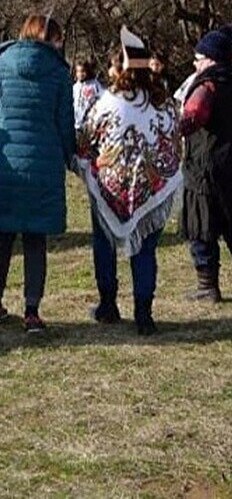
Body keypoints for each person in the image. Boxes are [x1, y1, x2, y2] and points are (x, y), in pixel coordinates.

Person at [0, 14, 76, 332]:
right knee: (35, 238)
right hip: (44, 162)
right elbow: (65, 123)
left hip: (6, 161)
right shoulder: (58, 72)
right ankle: (32, 310)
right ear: (50, 38)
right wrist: (71, 158)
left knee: (3, 234)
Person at [76, 28, 181, 335]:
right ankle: (144, 314)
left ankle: (108, 304)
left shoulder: (108, 102)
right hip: (152, 190)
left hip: (111, 188)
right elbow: (175, 141)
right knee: (146, 250)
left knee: (104, 245)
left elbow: (84, 140)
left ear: (119, 68)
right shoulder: (165, 102)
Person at [178, 28, 232, 303]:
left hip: (205, 168)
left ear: (211, 59)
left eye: (199, 57)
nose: (195, 63)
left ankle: (207, 285)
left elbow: (192, 119)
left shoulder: (207, 86)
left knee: (202, 229)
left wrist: (169, 128)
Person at [73, 60, 104, 129]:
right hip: (76, 123)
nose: (81, 74)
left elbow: (103, 98)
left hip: (89, 123)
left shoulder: (94, 84)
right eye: (78, 71)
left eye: (83, 71)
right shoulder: (75, 87)